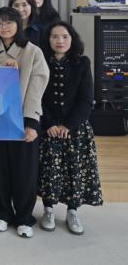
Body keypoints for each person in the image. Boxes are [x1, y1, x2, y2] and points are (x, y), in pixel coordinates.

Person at [0, 7, 49, 238]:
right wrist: (0, 71)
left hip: (23, 119)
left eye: (9, 22)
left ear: (19, 24)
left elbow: (37, 89)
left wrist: (31, 122)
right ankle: (1, 214)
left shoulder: (32, 51)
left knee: (25, 171)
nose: (4, 27)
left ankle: (24, 217)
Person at [38, 21, 102, 235]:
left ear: (72, 39)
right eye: (54, 36)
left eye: (65, 36)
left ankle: (72, 211)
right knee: (49, 170)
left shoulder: (82, 63)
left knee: (75, 171)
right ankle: (48, 209)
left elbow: (86, 99)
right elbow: (36, 96)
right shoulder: (41, 61)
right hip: (48, 128)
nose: (60, 41)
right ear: (48, 40)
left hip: (75, 128)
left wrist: (68, 125)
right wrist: (49, 123)